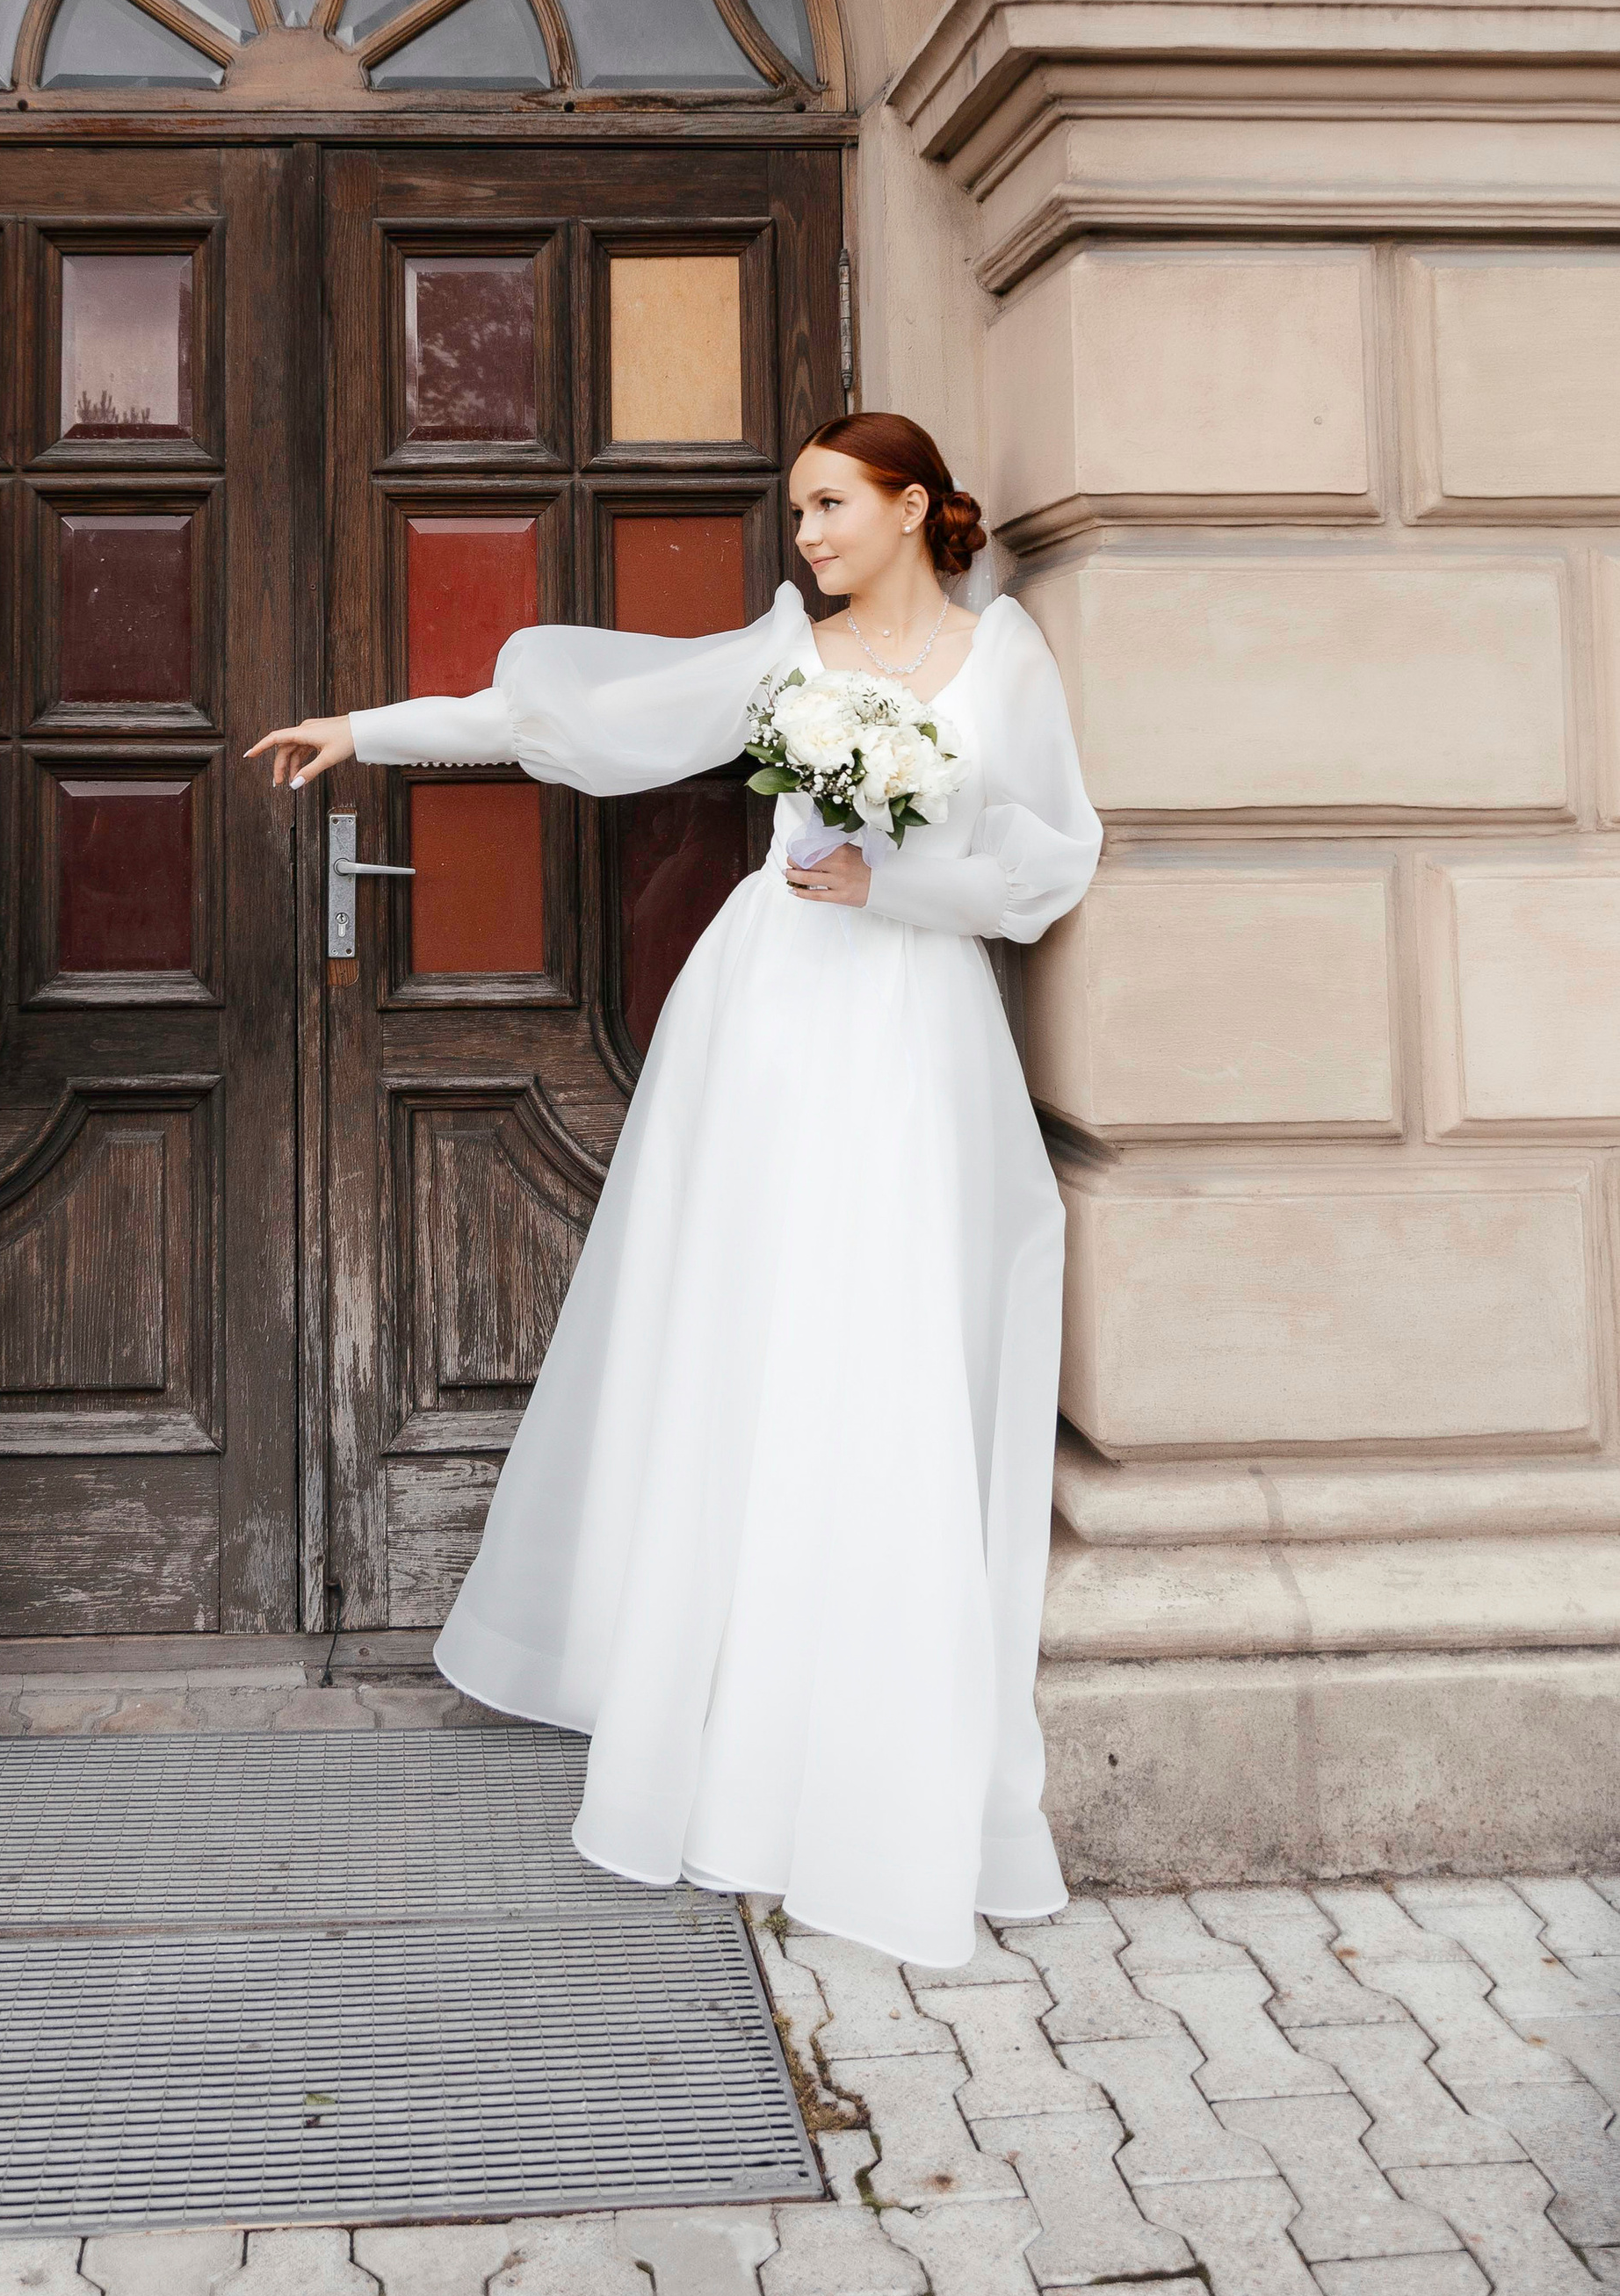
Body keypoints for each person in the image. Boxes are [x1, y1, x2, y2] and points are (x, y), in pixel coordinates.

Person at [249, 412, 1100, 1968]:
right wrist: (369, 731)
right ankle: (717, 1698)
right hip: (769, 1020)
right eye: (800, 513)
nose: (809, 537)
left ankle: (861, 1717)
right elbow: (578, 721)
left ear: (914, 508)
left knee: (893, 1334)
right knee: (753, 1332)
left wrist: (898, 883)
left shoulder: (1006, 661)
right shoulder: (789, 654)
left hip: (915, 1027)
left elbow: (1050, 863)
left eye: (833, 507)